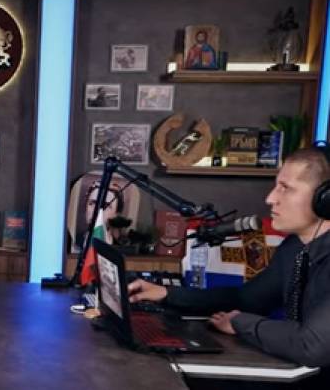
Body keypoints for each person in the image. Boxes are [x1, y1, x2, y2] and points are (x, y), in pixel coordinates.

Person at [128, 147, 330, 386]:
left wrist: (240, 322)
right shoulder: (295, 247)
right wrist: (166, 294)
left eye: (285, 188)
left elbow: (311, 346)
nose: (270, 198)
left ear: (325, 199)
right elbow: (247, 298)